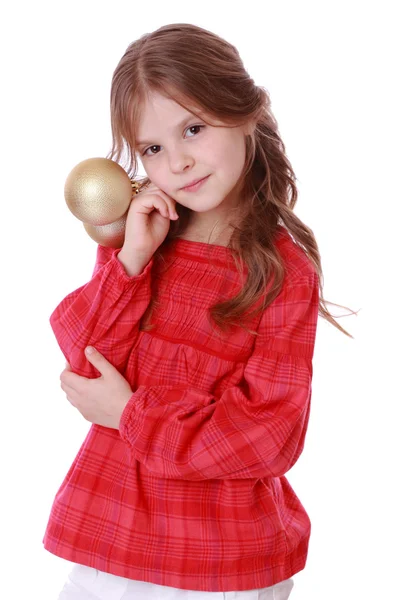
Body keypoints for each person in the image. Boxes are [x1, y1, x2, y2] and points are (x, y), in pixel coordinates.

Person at [44, 22, 354, 600]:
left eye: (193, 129)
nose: (178, 163)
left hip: (213, 557)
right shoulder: (140, 240)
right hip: (111, 538)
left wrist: (131, 415)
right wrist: (132, 259)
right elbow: (86, 369)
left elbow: (270, 435)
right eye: (153, 148)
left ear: (246, 111)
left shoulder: (281, 271)